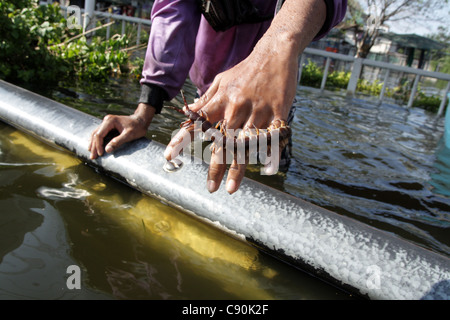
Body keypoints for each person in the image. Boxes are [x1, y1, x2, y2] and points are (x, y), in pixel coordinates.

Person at [88, 0, 347, 194]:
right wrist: (143, 112)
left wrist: (277, 45)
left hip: (272, 100)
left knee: (269, 167)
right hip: (211, 97)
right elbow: (173, 11)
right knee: (211, 158)